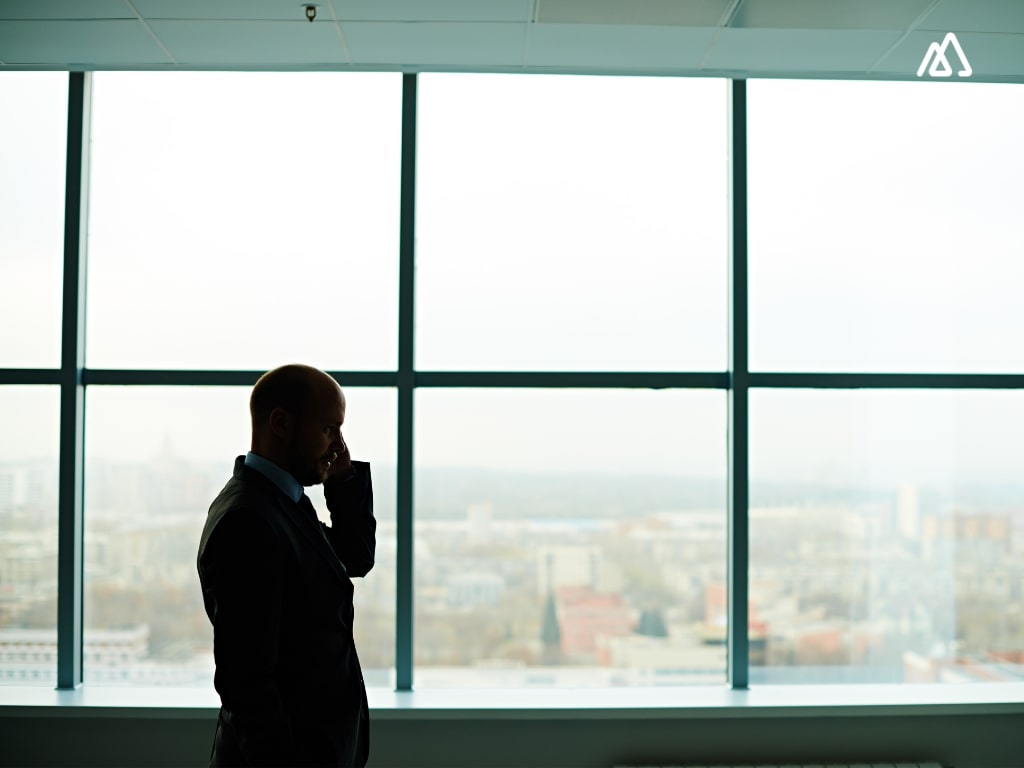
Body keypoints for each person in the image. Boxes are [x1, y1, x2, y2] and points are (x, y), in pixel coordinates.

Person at [197, 364, 375, 767]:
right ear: (280, 423)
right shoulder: (248, 520)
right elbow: (246, 684)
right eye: (329, 429)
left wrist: (343, 479)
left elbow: (354, 556)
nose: (338, 445)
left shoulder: (283, 501)